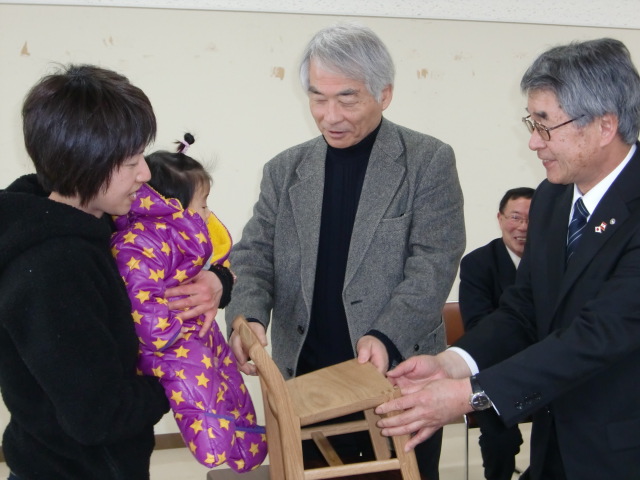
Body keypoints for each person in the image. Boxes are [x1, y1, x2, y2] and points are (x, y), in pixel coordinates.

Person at [376, 37, 640, 480]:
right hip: (555, 446)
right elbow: (524, 309)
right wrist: (451, 364)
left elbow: (596, 336)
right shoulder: (553, 199)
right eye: (531, 122)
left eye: (545, 125)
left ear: (604, 126)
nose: (534, 142)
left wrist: (469, 395)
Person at [225, 22, 465, 479]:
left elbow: (434, 263)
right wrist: (248, 316)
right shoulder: (285, 170)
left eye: (347, 99)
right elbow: (253, 255)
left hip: (394, 378)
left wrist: (386, 335)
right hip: (305, 381)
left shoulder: (426, 161)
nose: (330, 115)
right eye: (318, 98)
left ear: (384, 94)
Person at [0, 64, 169, 479]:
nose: (145, 173)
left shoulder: (96, 224)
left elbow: (178, 257)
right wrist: (176, 381)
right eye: (131, 162)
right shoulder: (55, 269)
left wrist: (217, 280)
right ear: (86, 163)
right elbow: (98, 416)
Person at [109, 134, 267, 471]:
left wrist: (221, 279)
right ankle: (212, 443)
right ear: (173, 205)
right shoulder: (138, 242)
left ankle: (246, 439)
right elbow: (139, 294)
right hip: (168, 343)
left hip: (198, 329)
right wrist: (166, 332)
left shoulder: (186, 238)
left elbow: (221, 270)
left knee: (226, 375)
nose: (208, 212)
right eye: (203, 204)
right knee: (196, 382)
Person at [459, 187, 534, 480]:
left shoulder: (557, 259)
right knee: (501, 439)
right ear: (500, 219)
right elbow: (478, 325)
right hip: (495, 368)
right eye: (515, 217)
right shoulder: (478, 263)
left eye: (532, 219)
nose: (523, 227)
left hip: (547, 365)